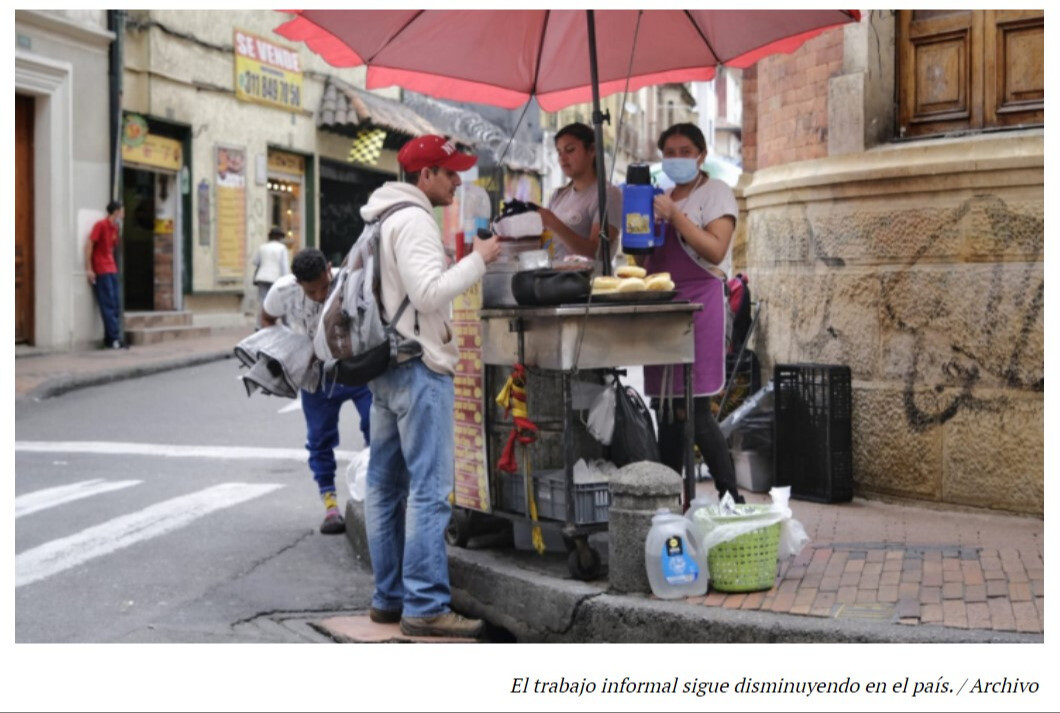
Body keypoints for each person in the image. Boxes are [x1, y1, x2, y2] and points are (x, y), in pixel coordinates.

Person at [362, 135, 500, 638]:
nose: (457, 181)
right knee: (428, 492)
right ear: (424, 177)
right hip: (419, 367)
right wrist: (478, 258)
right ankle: (424, 606)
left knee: (383, 487)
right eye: (448, 172)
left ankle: (388, 599)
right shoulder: (415, 219)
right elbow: (427, 293)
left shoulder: (380, 218)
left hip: (385, 366)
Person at [643, 123, 744, 504]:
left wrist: (675, 217)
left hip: (702, 306)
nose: (677, 158)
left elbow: (716, 251)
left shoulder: (715, 193)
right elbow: (645, 259)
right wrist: (643, 226)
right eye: (670, 151)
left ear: (701, 155)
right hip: (663, 309)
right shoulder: (661, 198)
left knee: (694, 407)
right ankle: (670, 499)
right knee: (666, 408)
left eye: (686, 150)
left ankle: (731, 497)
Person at [261, 248, 373, 534]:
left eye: (324, 286)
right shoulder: (282, 291)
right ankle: (330, 504)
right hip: (315, 377)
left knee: (377, 427)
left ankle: (376, 492)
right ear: (298, 284)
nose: (321, 294)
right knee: (320, 440)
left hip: (355, 370)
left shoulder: (348, 282)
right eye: (312, 291)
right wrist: (287, 350)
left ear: (330, 269)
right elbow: (266, 318)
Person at [536, 122, 622, 271]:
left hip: (588, 286)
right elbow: (546, 243)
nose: (563, 158)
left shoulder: (608, 195)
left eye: (570, 150)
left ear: (592, 150)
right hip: (553, 281)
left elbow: (597, 252)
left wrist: (553, 222)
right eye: (559, 152)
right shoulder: (559, 195)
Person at [85, 200, 125, 349]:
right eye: (122, 211)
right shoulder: (100, 225)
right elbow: (89, 245)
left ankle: (111, 338)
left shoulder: (115, 228)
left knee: (115, 304)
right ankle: (114, 338)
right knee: (107, 304)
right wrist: (89, 268)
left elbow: (112, 248)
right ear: (115, 212)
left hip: (112, 268)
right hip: (101, 269)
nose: (123, 215)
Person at [251, 226, 290, 329]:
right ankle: (286, 324)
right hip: (275, 278)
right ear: (280, 237)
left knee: (262, 301)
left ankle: (259, 325)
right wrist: (286, 280)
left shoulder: (263, 247)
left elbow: (255, 262)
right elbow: (284, 266)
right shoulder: (282, 248)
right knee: (279, 300)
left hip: (262, 277)